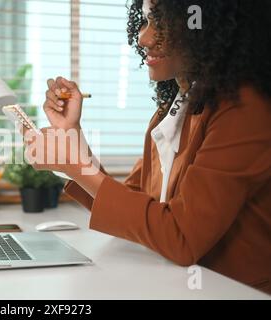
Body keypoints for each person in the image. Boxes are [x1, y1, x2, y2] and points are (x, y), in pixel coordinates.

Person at [22, 0, 271, 293]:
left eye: (162, 21)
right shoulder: (171, 112)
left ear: (207, 26)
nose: (144, 38)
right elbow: (138, 210)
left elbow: (181, 236)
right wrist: (72, 137)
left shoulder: (245, 110)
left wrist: (75, 165)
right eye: (144, 21)